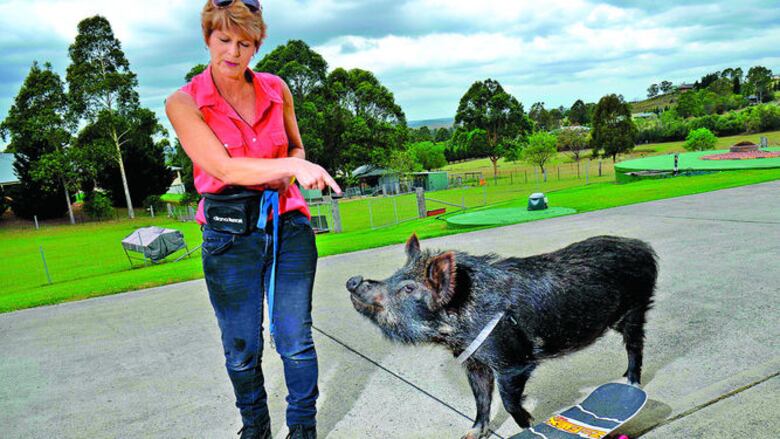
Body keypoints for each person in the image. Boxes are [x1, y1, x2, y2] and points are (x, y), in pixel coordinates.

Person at [165, 1, 341, 438]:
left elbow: (295, 147)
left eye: (245, 43)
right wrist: (291, 169)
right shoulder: (183, 103)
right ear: (207, 37)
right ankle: (255, 428)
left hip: (289, 228)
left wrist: (292, 165)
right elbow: (224, 169)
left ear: (257, 45)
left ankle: (302, 428)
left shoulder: (277, 88)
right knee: (242, 348)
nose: (233, 52)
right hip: (228, 238)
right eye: (224, 40)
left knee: (294, 340)